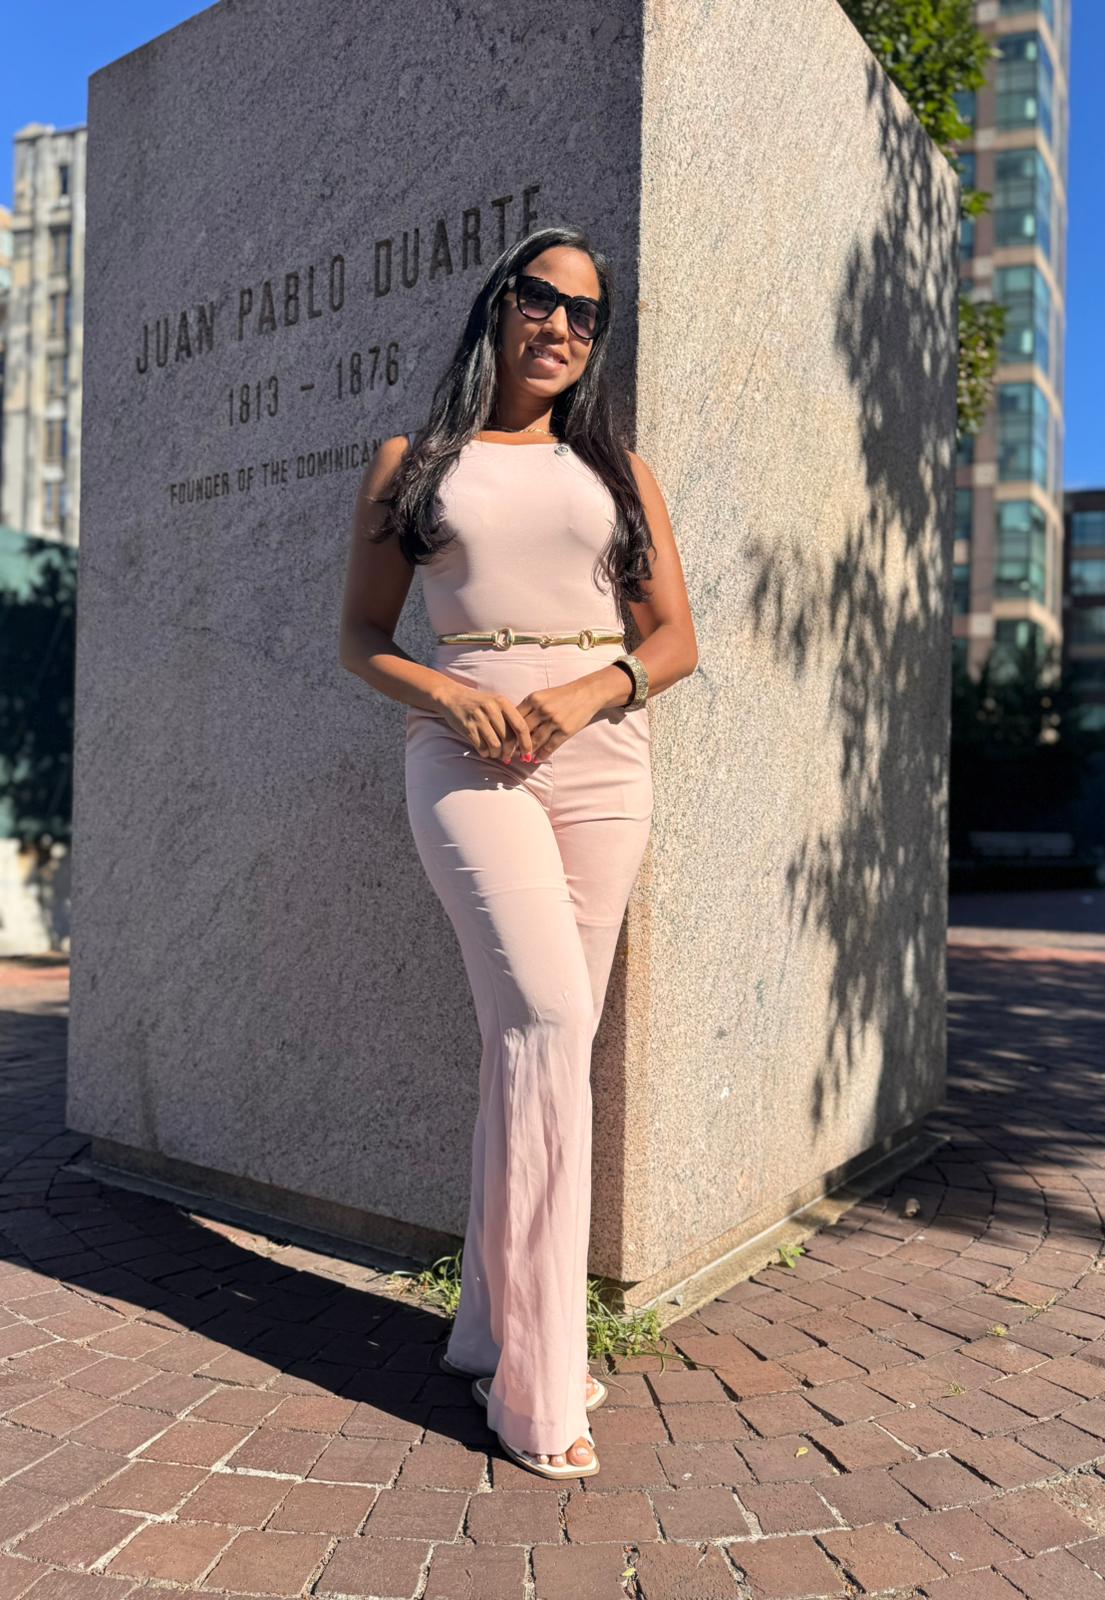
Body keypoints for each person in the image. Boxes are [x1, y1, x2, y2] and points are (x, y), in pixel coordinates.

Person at [338, 225, 699, 1480]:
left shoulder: (617, 471)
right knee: (545, 1019)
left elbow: (673, 640)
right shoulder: (415, 464)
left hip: (601, 763)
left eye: (586, 314)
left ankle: (492, 1325)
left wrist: (592, 692)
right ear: (498, 306)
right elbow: (361, 637)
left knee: (541, 1041)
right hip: (467, 758)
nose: (560, 325)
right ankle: (540, 1380)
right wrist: (451, 695)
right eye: (541, 298)